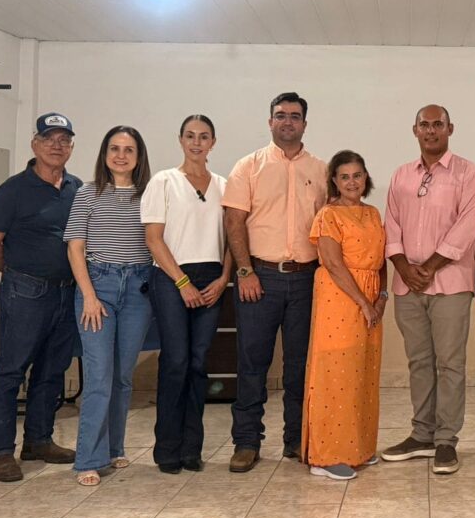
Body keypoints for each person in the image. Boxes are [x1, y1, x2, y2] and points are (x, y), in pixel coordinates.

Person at [222, 92, 328, 473]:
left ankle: (296, 439)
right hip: (259, 278)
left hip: (307, 280)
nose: (287, 122)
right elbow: (234, 221)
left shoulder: (321, 170)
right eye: (280, 115)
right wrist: (245, 271)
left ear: (305, 123)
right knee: (252, 363)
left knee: (300, 366)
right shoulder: (248, 166)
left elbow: (329, 226)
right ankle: (246, 442)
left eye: (295, 116)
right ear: (270, 122)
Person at [0, 112, 83, 482]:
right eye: (49, 138)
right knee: (10, 371)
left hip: (66, 293)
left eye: (64, 140)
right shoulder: (13, 190)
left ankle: (38, 440)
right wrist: (18, 274)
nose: (57, 145)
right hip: (25, 292)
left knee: (52, 371)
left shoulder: (76, 188)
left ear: (71, 147)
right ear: (35, 144)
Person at [380, 105, 475, 475]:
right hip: (408, 285)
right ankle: (422, 434)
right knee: (419, 361)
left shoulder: (468, 173)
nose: (431, 130)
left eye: (438, 124)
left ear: (450, 129)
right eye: (424, 125)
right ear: (415, 130)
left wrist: (430, 266)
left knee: (450, 363)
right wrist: (404, 267)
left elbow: (468, 226)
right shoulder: (401, 175)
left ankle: (445, 440)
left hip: (451, 284)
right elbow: (391, 225)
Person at [65, 126, 154, 486]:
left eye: (128, 149)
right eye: (114, 148)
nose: (121, 155)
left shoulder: (150, 195)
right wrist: (88, 295)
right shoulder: (87, 193)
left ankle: (115, 447)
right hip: (97, 287)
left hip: (138, 289)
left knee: (121, 376)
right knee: (99, 376)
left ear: (138, 156)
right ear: (104, 154)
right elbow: (75, 247)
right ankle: (89, 459)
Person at [141, 115, 231, 474]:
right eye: (190, 136)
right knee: (176, 361)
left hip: (212, 277)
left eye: (204, 136)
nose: (197, 142)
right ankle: (167, 449)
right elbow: (153, 239)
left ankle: (192, 449)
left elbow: (233, 238)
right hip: (171, 276)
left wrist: (224, 278)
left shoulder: (224, 185)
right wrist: (182, 283)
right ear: (180, 140)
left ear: (213, 142)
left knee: (198, 363)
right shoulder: (163, 181)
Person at [301, 151, 387, 480]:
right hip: (340, 297)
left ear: (366, 178)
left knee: (362, 372)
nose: (352, 182)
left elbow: (381, 261)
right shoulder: (328, 215)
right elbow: (334, 264)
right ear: (335, 182)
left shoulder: (373, 213)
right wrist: (363, 303)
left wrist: (381, 297)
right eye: (345, 177)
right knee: (335, 372)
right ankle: (326, 456)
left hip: (370, 296)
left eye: (357, 175)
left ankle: (358, 448)